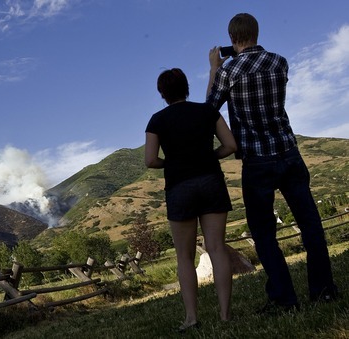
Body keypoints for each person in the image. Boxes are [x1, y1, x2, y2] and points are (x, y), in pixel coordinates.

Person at [206, 13, 338, 314]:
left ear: (231, 39)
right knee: (310, 224)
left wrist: (215, 69)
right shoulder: (280, 62)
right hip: (288, 152)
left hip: (257, 160)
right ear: (255, 32)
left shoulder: (229, 71)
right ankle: (324, 290)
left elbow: (210, 109)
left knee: (264, 233)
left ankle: (284, 298)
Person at [145, 68, 237, 331]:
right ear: (187, 87)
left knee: (184, 257)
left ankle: (191, 317)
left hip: (179, 187)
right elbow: (230, 145)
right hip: (211, 181)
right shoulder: (207, 111)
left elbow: (150, 160)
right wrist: (209, 157)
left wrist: (172, 162)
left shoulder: (157, 120)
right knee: (217, 248)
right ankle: (225, 315)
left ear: (162, 93)